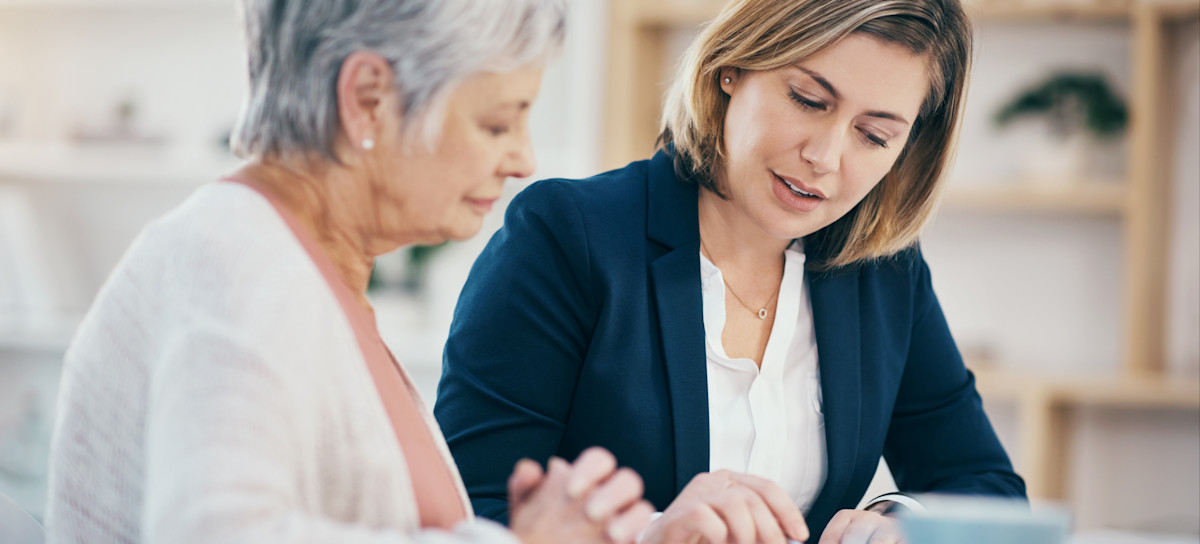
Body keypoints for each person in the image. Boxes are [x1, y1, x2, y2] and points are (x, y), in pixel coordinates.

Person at [43, 1, 654, 543]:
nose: (523, 159)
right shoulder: (236, 261)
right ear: (368, 100)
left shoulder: (300, 273)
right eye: (496, 123)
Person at [434, 0, 1027, 542]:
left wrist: (901, 522)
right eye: (808, 100)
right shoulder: (568, 233)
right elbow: (464, 507)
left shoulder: (883, 274)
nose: (824, 157)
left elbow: (989, 492)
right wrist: (652, 534)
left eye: (874, 135)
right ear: (734, 68)